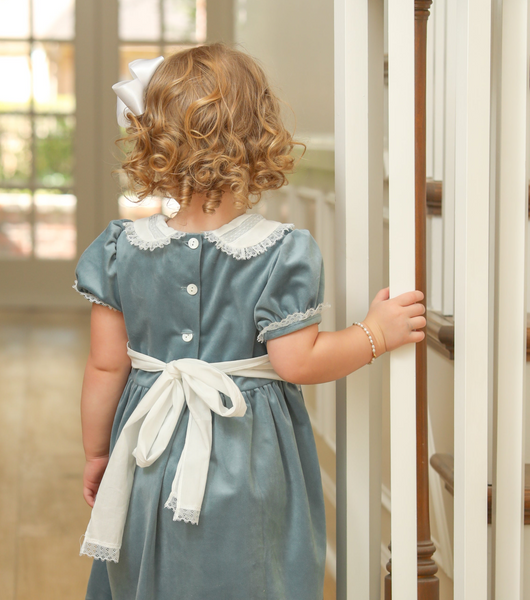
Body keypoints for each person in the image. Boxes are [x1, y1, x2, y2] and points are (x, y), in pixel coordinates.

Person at [73, 43, 426, 600]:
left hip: (146, 447)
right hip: (247, 450)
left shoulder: (120, 248)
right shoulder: (281, 251)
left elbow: (104, 364)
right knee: (250, 571)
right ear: (258, 135)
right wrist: (375, 333)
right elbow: (297, 360)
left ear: (152, 141)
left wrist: (98, 452)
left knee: (152, 565)